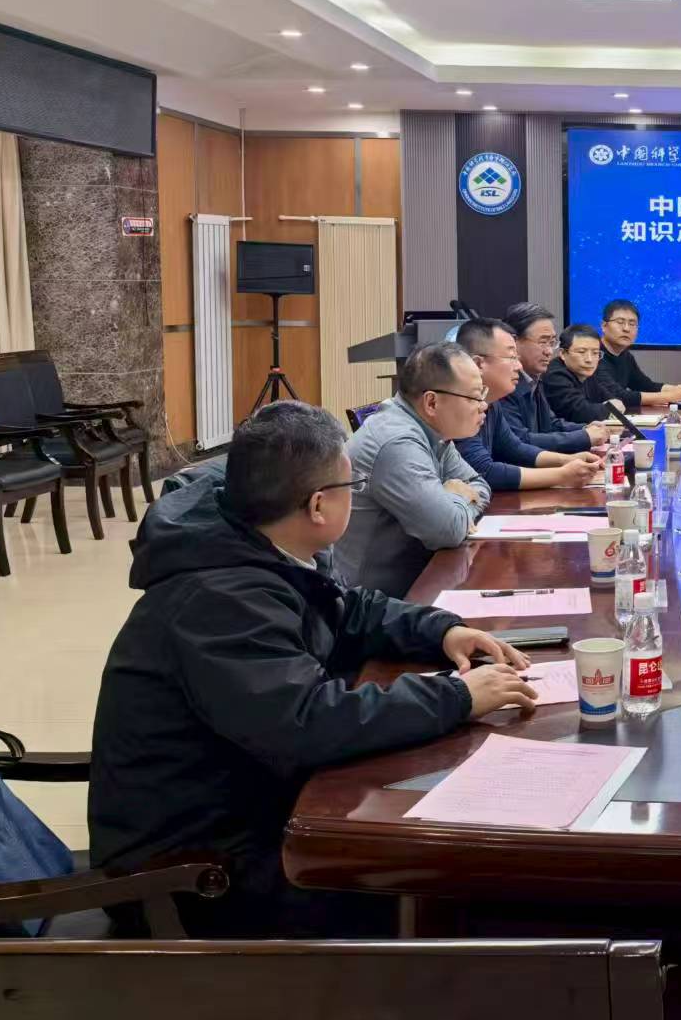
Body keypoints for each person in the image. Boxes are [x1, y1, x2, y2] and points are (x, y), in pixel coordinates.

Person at [89, 401, 537, 938]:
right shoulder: (220, 597)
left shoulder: (260, 540)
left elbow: (348, 608)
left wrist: (441, 631)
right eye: (354, 486)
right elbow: (305, 722)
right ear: (319, 505)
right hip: (196, 874)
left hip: (253, 808)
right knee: (452, 890)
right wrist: (456, 697)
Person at [335, 343, 492, 598]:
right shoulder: (397, 442)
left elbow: (479, 484)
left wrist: (451, 500)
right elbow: (448, 530)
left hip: (409, 584)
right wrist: (456, 497)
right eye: (474, 397)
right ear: (432, 402)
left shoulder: (431, 430)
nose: (483, 405)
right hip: (368, 605)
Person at [451, 318, 600, 493]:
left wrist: (568, 460)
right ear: (478, 364)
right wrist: (562, 475)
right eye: (511, 357)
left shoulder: (492, 402)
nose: (519, 366)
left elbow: (514, 448)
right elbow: (484, 471)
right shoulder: (457, 403)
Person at [500, 301, 611, 454]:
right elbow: (519, 441)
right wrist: (584, 437)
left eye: (552, 343)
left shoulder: (534, 378)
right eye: (543, 342)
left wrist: (585, 428)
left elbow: (550, 424)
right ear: (513, 342)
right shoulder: (503, 384)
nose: (549, 351)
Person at [595, 298, 681, 407]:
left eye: (632, 323)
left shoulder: (625, 355)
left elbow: (645, 385)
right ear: (604, 326)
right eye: (620, 322)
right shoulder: (593, 354)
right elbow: (618, 396)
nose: (626, 329)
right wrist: (671, 396)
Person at [544, 323, 627, 425]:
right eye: (582, 352)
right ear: (563, 353)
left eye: (595, 353)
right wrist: (609, 408)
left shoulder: (585, 372)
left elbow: (611, 398)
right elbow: (580, 412)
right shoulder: (555, 375)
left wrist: (612, 405)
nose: (589, 360)